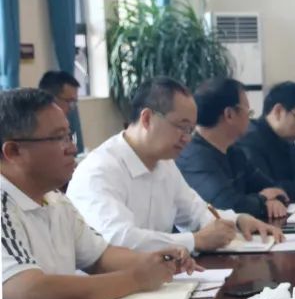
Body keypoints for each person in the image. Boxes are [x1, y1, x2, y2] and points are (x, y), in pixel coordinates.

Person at [2, 88, 193, 299]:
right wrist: (136, 278)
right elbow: (33, 293)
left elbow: (100, 257)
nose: (73, 148)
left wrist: (156, 261)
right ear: (13, 151)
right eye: (58, 138)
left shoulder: (55, 199)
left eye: (69, 136)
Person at [67, 79, 280, 253]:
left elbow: (196, 213)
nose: (187, 138)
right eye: (182, 127)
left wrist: (238, 220)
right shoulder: (100, 170)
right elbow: (118, 239)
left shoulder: (164, 163)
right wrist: (194, 241)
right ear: (147, 118)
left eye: (190, 130)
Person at [177, 78, 291, 220]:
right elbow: (226, 207)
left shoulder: (234, 151)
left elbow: (274, 189)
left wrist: (272, 199)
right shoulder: (194, 157)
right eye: (248, 112)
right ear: (229, 114)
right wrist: (263, 200)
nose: (250, 119)